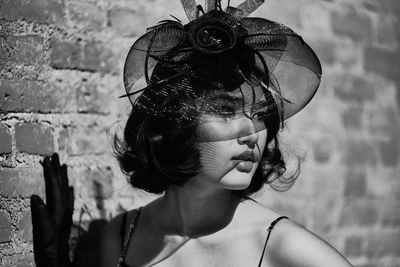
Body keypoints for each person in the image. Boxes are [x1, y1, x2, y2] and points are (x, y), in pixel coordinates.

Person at [31, 0, 353, 266]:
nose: (252, 133)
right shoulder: (120, 235)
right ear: (175, 123)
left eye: (260, 116)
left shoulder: (282, 246)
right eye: (226, 111)